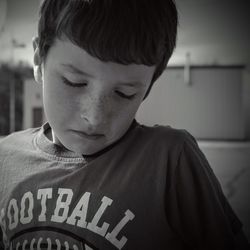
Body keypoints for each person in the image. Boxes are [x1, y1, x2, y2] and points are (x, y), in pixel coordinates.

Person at [0, 0, 249, 249]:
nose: (95, 116)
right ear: (39, 60)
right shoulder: (6, 158)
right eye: (74, 82)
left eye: (124, 93)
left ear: (148, 87)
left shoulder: (169, 162)